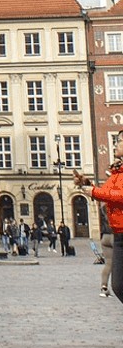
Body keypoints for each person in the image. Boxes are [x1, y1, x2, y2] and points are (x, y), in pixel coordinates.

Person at [74, 129, 123, 304]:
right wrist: (86, 184)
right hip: (118, 234)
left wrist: (94, 192)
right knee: (118, 286)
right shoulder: (117, 172)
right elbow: (106, 192)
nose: (115, 145)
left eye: (119, 141)